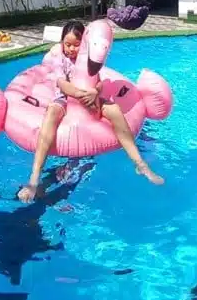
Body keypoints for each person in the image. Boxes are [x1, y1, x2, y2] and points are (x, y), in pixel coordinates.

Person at [17, 20, 164, 202]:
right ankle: (34, 178)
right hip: (65, 99)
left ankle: (140, 163)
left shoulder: (88, 60)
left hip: (90, 97)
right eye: (67, 44)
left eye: (76, 45)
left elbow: (99, 81)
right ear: (62, 43)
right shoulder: (59, 59)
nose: (71, 49)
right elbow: (62, 84)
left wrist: (95, 92)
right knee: (52, 113)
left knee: (114, 110)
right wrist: (80, 94)